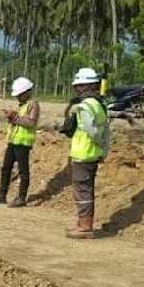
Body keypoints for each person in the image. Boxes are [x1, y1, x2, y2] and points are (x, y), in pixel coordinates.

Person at [60, 67, 111, 239]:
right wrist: (103, 150)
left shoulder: (85, 106)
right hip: (92, 154)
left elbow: (94, 132)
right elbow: (106, 131)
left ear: (88, 86)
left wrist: (100, 145)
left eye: (79, 86)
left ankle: (85, 227)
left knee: (82, 190)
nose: (77, 90)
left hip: (84, 154)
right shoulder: (99, 104)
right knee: (85, 189)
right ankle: (83, 223)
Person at [0, 77, 40, 208]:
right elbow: (18, 122)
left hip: (23, 144)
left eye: (20, 95)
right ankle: (2, 194)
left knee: (23, 171)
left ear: (27, 92)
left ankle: (21, 197)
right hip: (13, 141)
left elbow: (31, 122)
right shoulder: (21, 105)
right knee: (6, 168)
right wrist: (11, 118)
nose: (18, 98)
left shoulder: (33, 104)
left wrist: (15, 118)